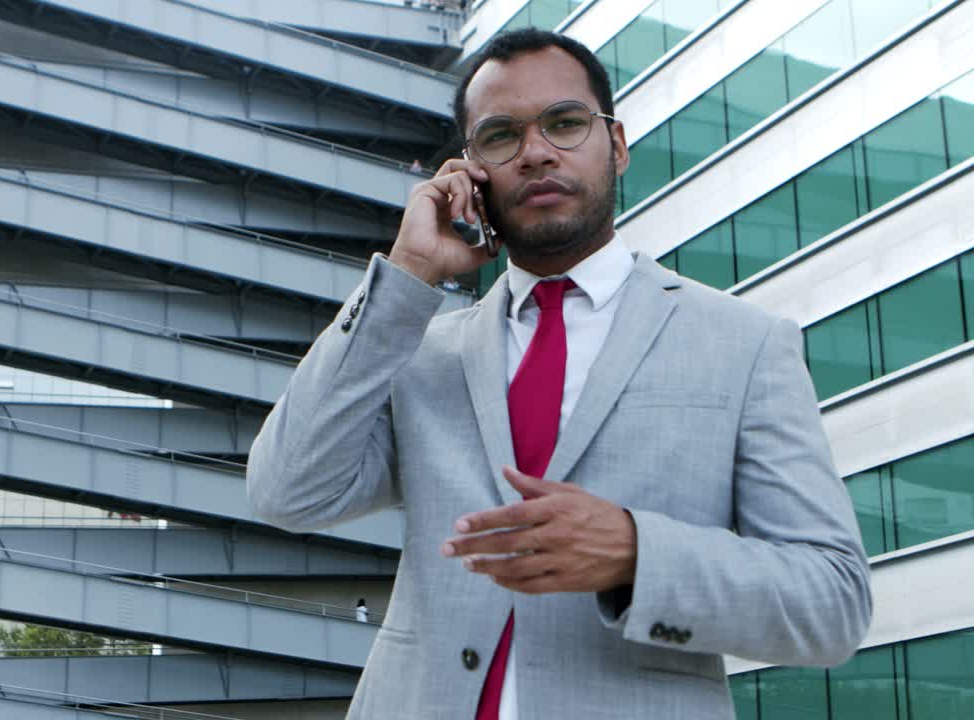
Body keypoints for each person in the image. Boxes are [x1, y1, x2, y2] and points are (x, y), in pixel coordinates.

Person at [247, 28, 871, 719]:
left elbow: (833, 602)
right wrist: (408, 274)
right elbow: (287, 490)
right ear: (469, 171)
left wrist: (637, 554)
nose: (537, 151)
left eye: (566, 123)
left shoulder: (745, 345)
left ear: (618, 144)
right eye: (501, 136)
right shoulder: (419, 350)